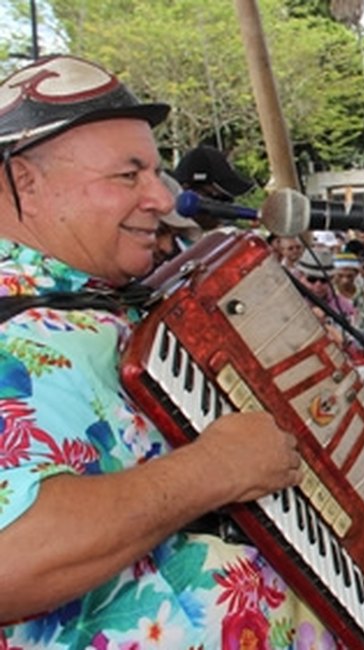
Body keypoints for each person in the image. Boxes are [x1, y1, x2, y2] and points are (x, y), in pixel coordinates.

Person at [0, 55, 330, 646]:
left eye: (156, 172)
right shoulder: (10, 335)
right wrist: (215, 469)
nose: (162, 197)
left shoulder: (98, 301)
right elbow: (12, 558)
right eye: (129, 176)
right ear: (25, 181)